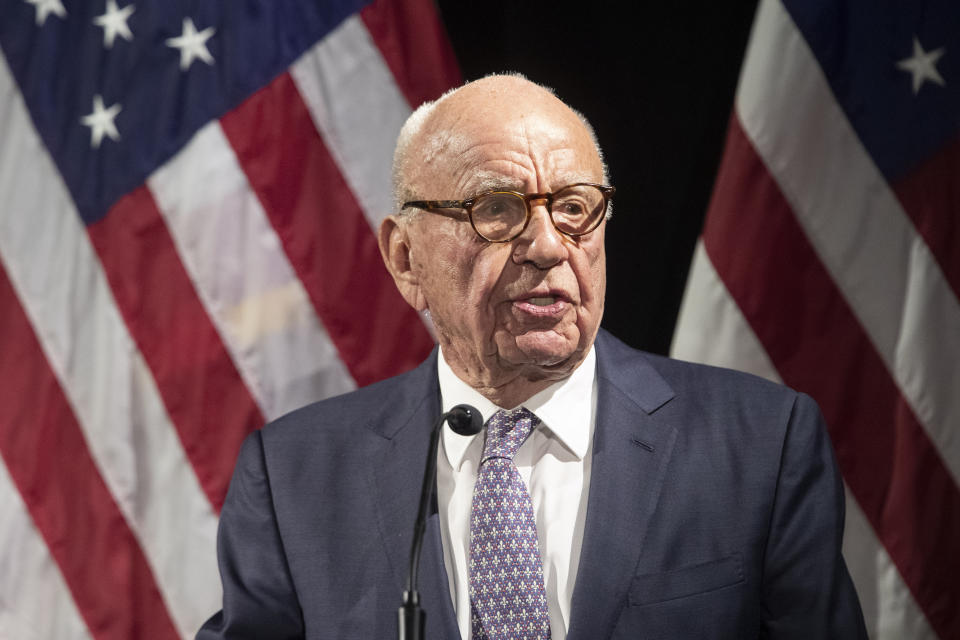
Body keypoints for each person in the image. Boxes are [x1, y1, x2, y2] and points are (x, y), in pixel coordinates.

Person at [197, 74, 867, 639]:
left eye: (575, 207)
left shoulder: (759, 447)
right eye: (498, 209)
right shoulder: (294, 479)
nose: (550, 245)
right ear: (407, 259)